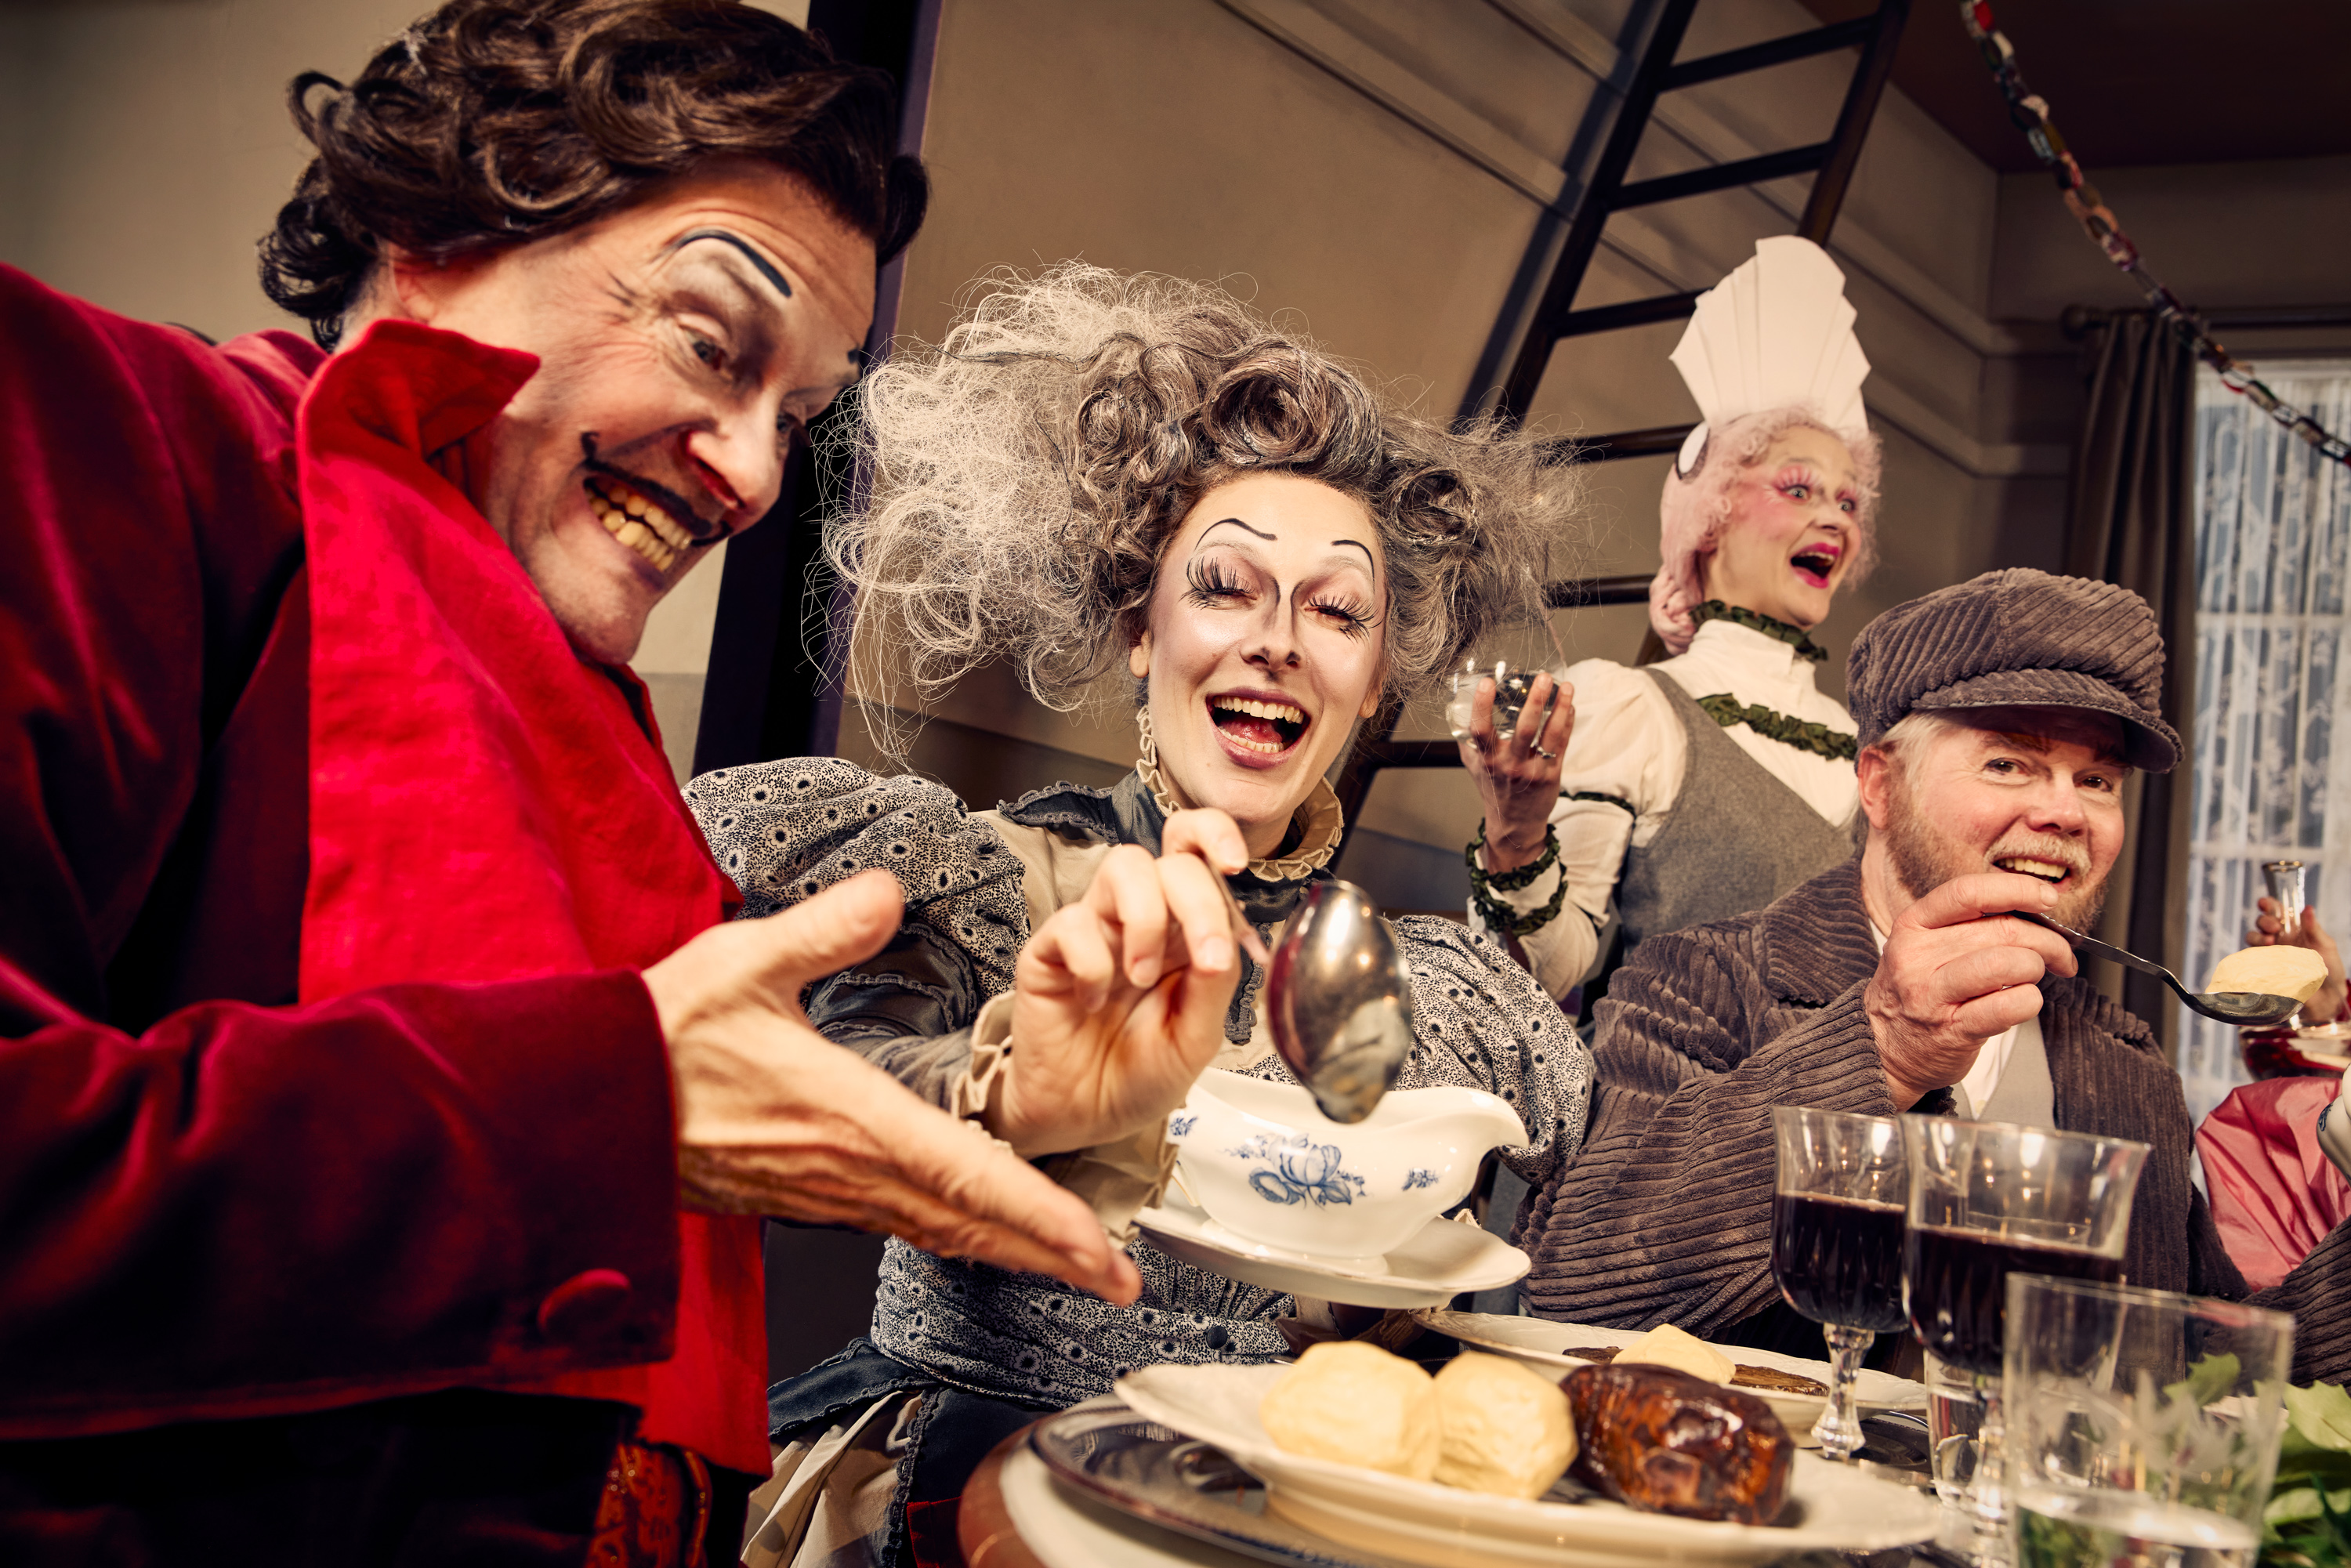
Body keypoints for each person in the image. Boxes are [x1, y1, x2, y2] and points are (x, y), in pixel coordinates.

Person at [0, 6, 1192, 1562]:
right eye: (709, 339)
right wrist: (600, 1108)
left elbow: (706, 1131)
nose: (753, 477)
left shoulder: (587, 722)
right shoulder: (106, 433)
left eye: (798, 418)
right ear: (438, 230)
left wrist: (1003, 1094)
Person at [686, 265, 1596, 1567]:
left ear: (1374, 677)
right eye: (1226, 586)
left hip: (1274, 1493)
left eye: (1337, 609)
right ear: (1137, 624)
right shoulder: (984, 876)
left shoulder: (1413, 984)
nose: (1280, 639)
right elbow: (840, 1083)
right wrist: (1007, 1092)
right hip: (966, 1477)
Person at [1515, 568, 2351, 1382]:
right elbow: (1574, 1286)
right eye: (2008, 763)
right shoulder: (1701, 982)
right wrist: (1882, 1050)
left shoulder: (2129, 1066)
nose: (2066, 812)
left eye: (2097, 780)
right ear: (1881, 786)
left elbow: (2202, 1385)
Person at [1461, 237, 1878, 1006]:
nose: (1835, 518)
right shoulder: (1637, 712)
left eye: (1848, 501)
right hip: (1658, 1081)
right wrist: (1516, 835)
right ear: (1711, 512)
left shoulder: (1866, 751)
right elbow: (1547, 976)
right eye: (1798, 489)